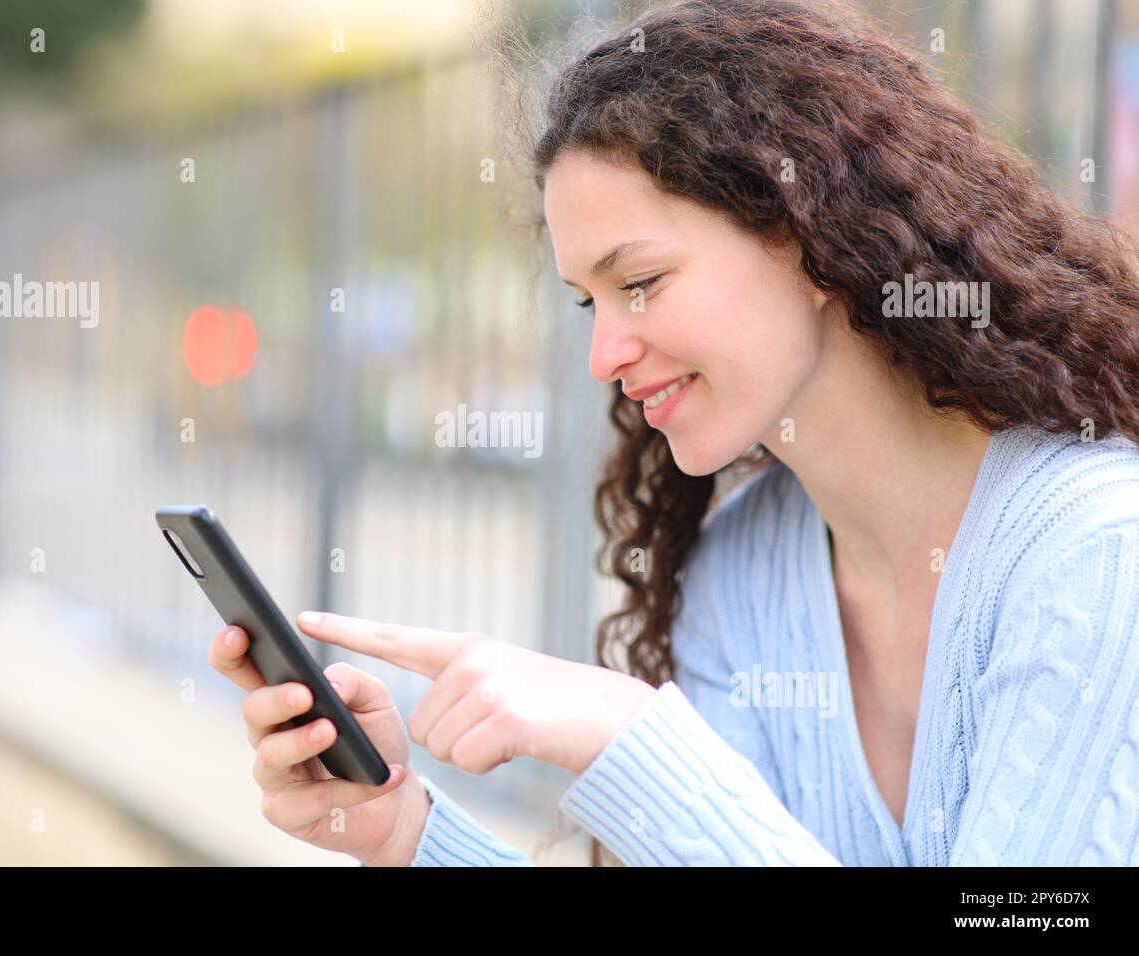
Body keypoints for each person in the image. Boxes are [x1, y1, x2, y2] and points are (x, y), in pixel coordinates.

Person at [209, 0, 1139, 866]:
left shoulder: (1096, 554)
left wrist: (631, 738)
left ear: (816, 238)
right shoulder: (743, 573)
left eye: (641, 282)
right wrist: (409, 831)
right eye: (589, 303)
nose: (604, 354)